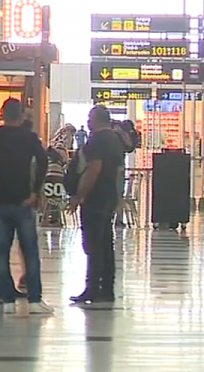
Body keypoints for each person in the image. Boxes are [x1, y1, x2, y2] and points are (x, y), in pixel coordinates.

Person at [0, 98, 51, 315]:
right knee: (30, 252)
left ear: (2, 114)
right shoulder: (30, 138)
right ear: (22, 115)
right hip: (23, 201)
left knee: (0, 252)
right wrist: (35, 190)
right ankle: (34, 300)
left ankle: (7, 300)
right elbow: (43, 160)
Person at [67, 105, 124, 303]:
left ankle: (92, 288)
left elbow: (93, 169)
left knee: (92, 244)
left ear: (97, 119)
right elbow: (118, 170)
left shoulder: (97, 140)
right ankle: (106, 288)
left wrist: (79, 196)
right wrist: (117, 197)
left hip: (95, 198)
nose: (88, 121)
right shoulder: (115, 140)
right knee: (106, 243)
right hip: (108, 196)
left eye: (90, 118)